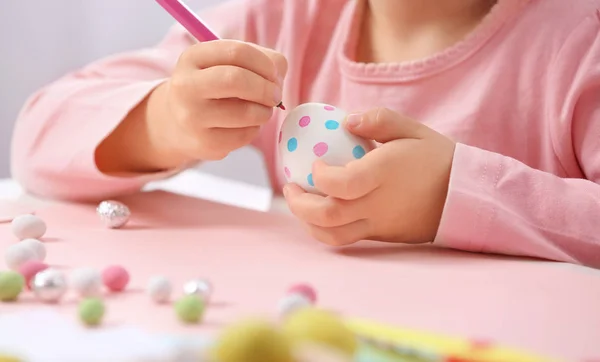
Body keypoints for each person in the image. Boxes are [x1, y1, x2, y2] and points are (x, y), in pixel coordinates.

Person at [11, 0, 600, 267]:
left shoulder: (578, 42)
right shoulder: (281, 17)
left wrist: (457, 193)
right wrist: (167, 121)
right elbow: (37, 138)